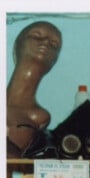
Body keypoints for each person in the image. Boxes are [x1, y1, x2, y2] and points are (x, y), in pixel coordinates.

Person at [7, 21, 62, 157]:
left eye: (54, 44)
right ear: (16, 46)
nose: (46, 43)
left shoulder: (39, 117)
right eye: (37, 36)